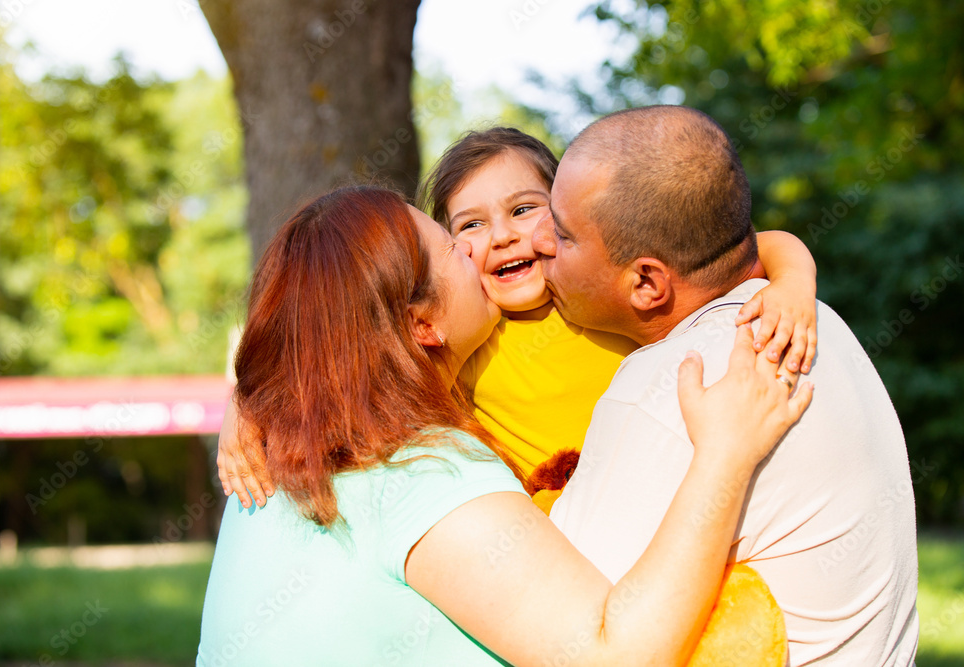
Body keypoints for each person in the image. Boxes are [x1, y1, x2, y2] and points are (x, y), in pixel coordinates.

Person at [196, 185, 812, 665]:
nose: (473, 248)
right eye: (450, 246)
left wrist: (245, 402)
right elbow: (615, 656)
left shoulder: (280, 459)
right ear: (421, 327)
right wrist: (725, 454)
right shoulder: (420, 469)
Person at [218, 127, 819, 495]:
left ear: (566, 214)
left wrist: (794, 283)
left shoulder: (593, 298)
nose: (503, 237)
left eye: (524, 209)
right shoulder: (467, 340)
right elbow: (339, 370)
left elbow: (752, 245)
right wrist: (243, 409)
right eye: (471, 225)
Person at [534, 105, 919, 665]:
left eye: (564, 235)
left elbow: (568, 630)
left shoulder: (674, 381)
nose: (539, 241)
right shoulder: (820, 321)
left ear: (646, 283)